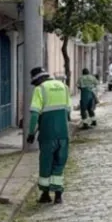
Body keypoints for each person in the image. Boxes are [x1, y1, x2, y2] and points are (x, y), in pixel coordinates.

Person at [26, 67, 72, 204]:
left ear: (38, 79)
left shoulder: (40, 89)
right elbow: (68, 112)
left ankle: (45, 195)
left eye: (35, 82)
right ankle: (58, 196)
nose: (35, 85)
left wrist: (30, 133)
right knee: (59, 163)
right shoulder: (63, 87)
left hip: (47, 135)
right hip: (63, 133)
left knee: (46, 163)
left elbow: (34, 114)